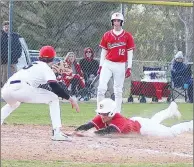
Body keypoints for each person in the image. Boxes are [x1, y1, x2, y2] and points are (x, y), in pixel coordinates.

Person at [1, 46, 80, 141]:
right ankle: (57, 133)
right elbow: (55, 88)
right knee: (53, 98)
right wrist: (70, 99)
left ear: (39, 57)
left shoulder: (34, 64)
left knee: (13, 104)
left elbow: (40, 82)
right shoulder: (45, 67)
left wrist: (53, 72)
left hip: (6, 89)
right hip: (22, 88)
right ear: (53, 58)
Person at [74, 98, 193, 137]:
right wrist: (75, 132)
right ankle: (170, 110)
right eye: (101, 113)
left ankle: (190, 124)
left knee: (170, 133)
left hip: (143, 128)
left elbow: (108, 131)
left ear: (111, 113)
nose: (101, 115)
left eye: (104, 113)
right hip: (137, 121)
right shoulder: (102, 117)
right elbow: (88, 125)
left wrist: (89, 135)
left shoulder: (118, 119)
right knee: (154, 121)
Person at [97, 12, 135, 113]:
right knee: (101, 88)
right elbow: (103, 52)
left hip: (120, 65)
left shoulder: (127, 36)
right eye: (114, 20)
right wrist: (101, 66)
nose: (116, 22)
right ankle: (100, 112)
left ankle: (118, 113)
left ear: (122, 22)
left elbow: (130, 52)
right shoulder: (107, 35)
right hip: (108, 63)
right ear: (112, 22)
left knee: (118, 91)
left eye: (118, 21)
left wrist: (129, 67)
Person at [1, 21, 22, 87]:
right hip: (3, 62)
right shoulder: (1, 36)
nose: (7, 28)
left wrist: (16, 57)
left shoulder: (15, 36)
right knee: (4, 79)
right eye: (5, 27)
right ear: (3, 28)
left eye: (8, 27)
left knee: (13, 79)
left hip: (13, 61)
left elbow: (19, 48)